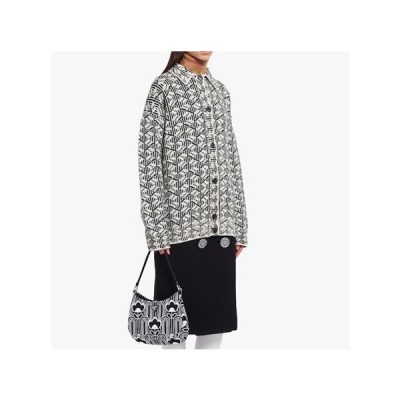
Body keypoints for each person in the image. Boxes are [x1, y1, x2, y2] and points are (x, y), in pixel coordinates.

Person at [138, 51, 248, 349]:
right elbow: (148, 160)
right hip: (176, 233)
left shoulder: (220, 91)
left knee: (214, 330)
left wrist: (239, 225)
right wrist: (156, 228)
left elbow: (231, 157)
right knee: (173, 332)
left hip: (221, 230)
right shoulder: (163, 88)